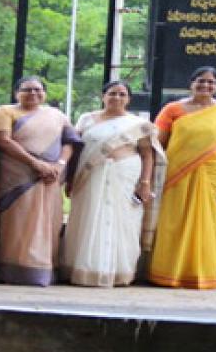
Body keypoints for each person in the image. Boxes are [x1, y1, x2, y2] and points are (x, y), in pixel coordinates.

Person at [146, 67, 216, 289]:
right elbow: (158, 144)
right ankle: (168, 273)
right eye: (201, 81)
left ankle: (204, 274)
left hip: (214, 175)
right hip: (176, 175)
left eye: (211, 82)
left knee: (212, 223)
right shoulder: (173, 109)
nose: (205, 86)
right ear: (191, 83)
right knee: (173, 222)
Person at [62, 80, 166, 287]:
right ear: (103, 96)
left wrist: (145, 182)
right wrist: (71, 177)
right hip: (91, 174)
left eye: (121, 94)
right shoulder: (86, 119)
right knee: (88, 216)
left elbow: (147, 154)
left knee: (125, 219)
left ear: (128, 99)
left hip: (125, 174)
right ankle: (86, 270)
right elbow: (77, 150)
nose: (116, 98)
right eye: (112, 93)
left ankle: (119, 271)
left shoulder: (137, 124)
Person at [0, 76, 79, 286]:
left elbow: (70, 142)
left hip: (51, 178)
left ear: (45, 93)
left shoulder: (56, 115)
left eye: (38, 90)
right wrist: (35, 164)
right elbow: (3, 140)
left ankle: (44, 270)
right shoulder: (5, 111)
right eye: (27, 90)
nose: (33, 94)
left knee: (49, 222)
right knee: (17, 221)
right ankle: (11, 270)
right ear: (16, 93)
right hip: (17, 176)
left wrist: (59, 165)